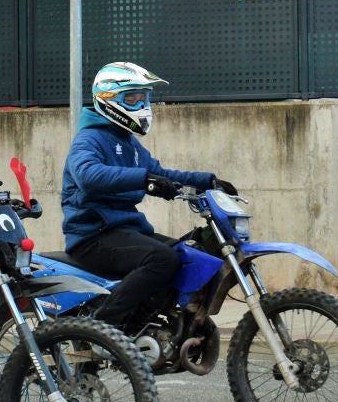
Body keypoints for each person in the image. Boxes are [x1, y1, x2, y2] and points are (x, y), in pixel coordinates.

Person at [60, 62, 235, 336]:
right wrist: (145, 180)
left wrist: (207, 181)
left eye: (144, 97)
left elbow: (162, 174)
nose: (141, 104)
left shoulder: (130, 145)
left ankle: (147, 322)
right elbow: (87, 174)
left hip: (124, 232)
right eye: (133, 97)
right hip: (93, 236)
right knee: (162, 259)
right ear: (108, 99)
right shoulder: (89, 139)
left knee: (188, 255)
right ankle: (99, 327)